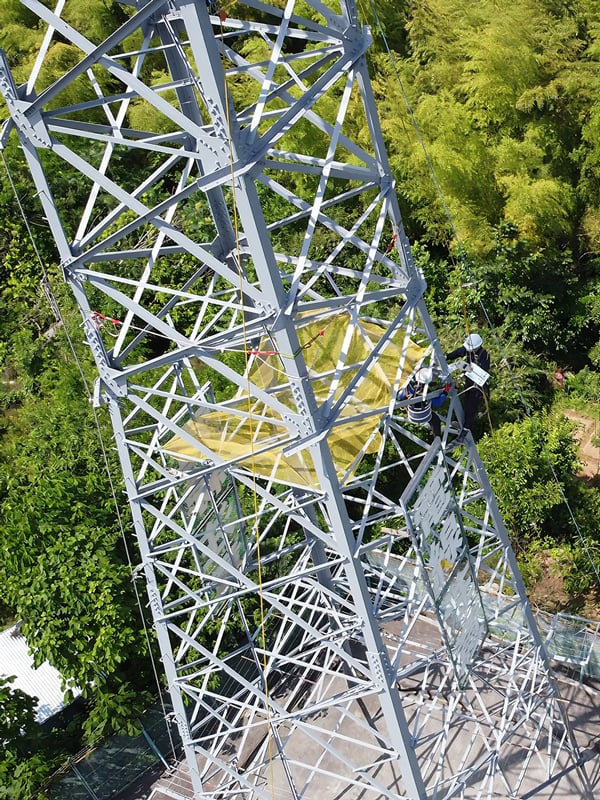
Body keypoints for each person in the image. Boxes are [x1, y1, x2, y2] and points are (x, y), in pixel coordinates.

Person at [445, 333, 490, 443]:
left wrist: (469, 368)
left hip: (477, 386)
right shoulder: (469, 349)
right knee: (465, 402)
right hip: (469, 382)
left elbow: (482, 371)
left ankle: (465, 430)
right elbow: (459, 352)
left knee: (471, 407)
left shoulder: (485, 355)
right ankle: (460, 423)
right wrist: (447, 357)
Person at [398, 366, 450, 440]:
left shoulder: (407, 389)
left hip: (412, 414)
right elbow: (437, 403)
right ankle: (437, 439)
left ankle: (437, 440)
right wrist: (445, 392)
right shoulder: (425, 393)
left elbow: (400, 397)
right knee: (435, 420)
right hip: (424, 415)